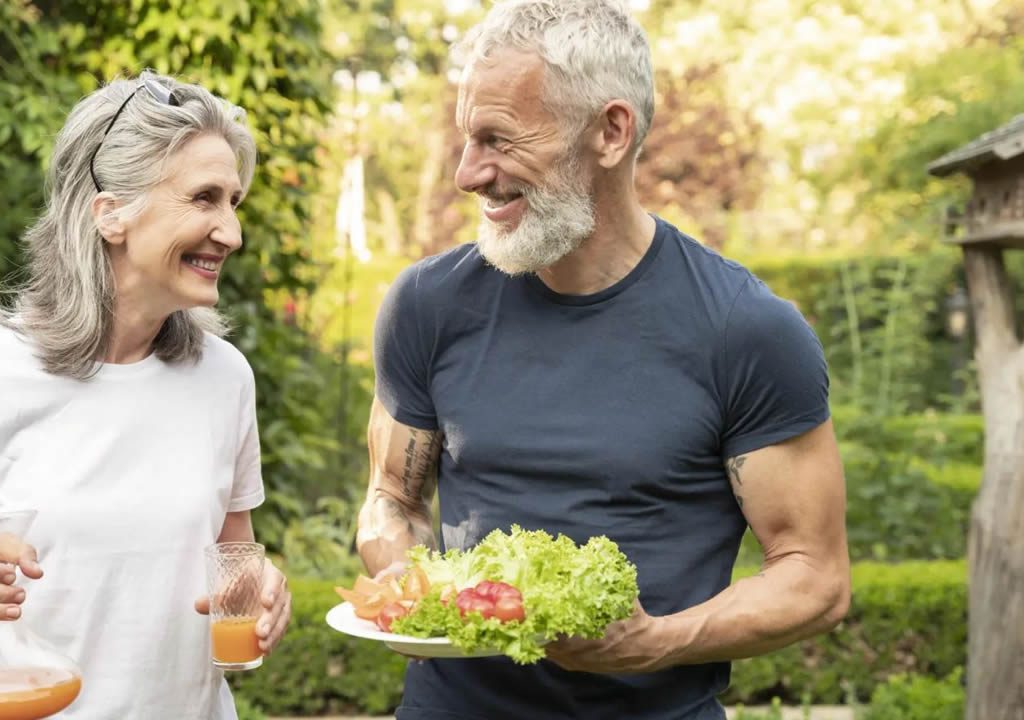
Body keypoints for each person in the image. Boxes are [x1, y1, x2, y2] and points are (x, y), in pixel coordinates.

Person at [355, 2, 850, 719]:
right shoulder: (428, 304)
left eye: (498, 140)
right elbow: (391, 499)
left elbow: (816, 577)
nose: (467, 174)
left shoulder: (745, 331)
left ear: (611, 132)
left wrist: (657, 642)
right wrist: (409, 586)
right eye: (467, 139)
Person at [0, 70, 291, 719]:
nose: (232, 233)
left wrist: (261, 589)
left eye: (233, 201)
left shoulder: (225, 377)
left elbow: (231, 553)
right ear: (111, 213)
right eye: (204, 199)